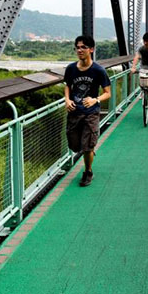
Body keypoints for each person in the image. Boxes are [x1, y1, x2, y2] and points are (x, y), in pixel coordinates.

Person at [64, 35, 111, 187]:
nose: (79, 50)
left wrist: (95, 100)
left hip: (91, 113)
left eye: (83, 47)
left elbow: (107, 93)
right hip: (74, 112)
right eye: (77, 47)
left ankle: (88, 171)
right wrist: (67, 99)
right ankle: (89, 150)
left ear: (91, 49)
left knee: (87, 147)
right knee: (75, 146)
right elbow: (67, 85)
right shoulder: (71, 68)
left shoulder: (98, 70)